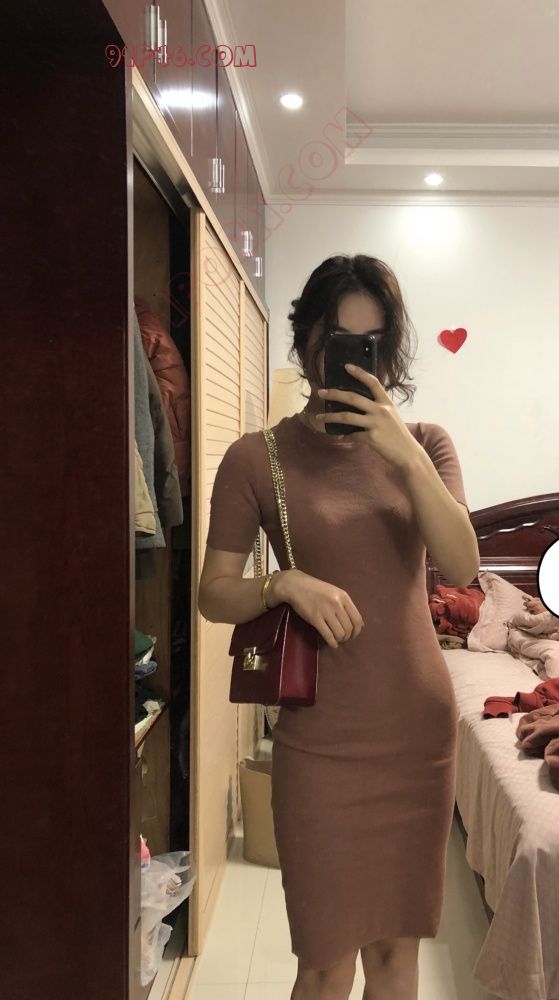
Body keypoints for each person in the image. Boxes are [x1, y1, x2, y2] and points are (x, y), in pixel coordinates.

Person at [197, 254, 480, 1000]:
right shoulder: (256, 459)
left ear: (390, 350)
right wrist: (281, 582)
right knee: (323, 966)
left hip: (415, 736)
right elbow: (213, 594)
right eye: (338, 341)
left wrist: (402, 453)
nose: (356, 359)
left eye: (372, 343)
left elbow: (461, 565)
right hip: (319, 740)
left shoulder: (427, 443)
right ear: (306, 342)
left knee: (394, 957)